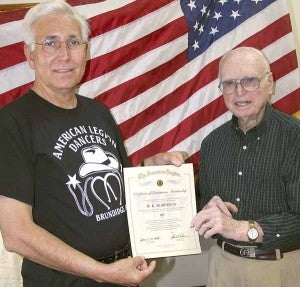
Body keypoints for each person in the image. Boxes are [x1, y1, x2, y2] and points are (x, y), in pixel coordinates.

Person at [0, 1, 185, 286]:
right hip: (65, 281)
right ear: (29, 55)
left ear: (86, 51)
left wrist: (151, 166)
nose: (64, 55)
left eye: (74, 42)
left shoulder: (98, 112)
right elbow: (16, 233)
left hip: (123, 270)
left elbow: (121, 180)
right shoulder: (12, 122)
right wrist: (102, 272)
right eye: (50, 43)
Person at [191, 46, 300, 287]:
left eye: (249, 80)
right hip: (222, 267)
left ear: (270, 83)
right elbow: (205, 205)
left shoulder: (295, 138)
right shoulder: (211, 143)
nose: (239, 92)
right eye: (229, 84)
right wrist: (207, 210)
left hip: (280, 271)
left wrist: (242, 229)